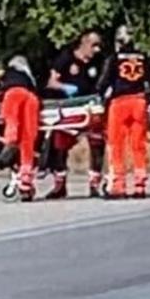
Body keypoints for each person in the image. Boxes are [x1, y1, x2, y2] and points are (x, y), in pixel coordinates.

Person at [42, 29, 106, 199]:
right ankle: (60, 184)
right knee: (59, 145)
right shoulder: (66, 58)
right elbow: (51, 82)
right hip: (69, 107)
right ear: (84, 42)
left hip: (91, 107)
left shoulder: (99, 60)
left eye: (99, 46)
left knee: (97, 142)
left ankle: (94, 184)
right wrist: (64, 87)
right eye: (93, 45)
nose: (97, 49)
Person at [97, 25, 150, 198]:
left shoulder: (114, 58)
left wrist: (101, 95)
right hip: (139, 102)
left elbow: (103, 82)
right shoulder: (143, 57)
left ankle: (118, 185)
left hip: (119, 103)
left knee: (116, 145)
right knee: (139, 145)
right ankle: (140, 185)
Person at [0, 55, 41, 201]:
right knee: (28, 137)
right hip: (31, 98)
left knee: (12, 127)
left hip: (13, 95)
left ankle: (7, 149)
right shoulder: (29, 78)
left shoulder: (8, 70)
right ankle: (26, 178)